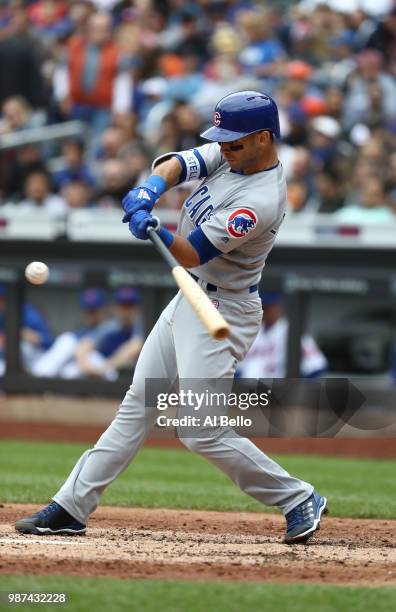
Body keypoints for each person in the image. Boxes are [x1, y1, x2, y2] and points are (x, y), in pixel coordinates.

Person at [15, 91, 327, 544]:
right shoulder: (231, 155)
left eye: (234, 143)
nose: (224, 149)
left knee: (200, 429)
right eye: (222, 141)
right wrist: (151, 188)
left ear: (263, 139)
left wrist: (157, 226)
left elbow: (194, 251)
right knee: (138, 404)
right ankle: (71, 507)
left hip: (225, 308)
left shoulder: (261, 199)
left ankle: (298, 498)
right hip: (191, 297)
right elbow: (179, 163)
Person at [237, 292, 328, 379]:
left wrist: (297, 389)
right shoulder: (250, 332)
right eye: (261, 307)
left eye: (268, 307)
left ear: (278, 307)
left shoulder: (292, 332)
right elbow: (237, 370)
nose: (264, 311)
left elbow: (316, 366)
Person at [31, 288, 108, 379]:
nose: (90, 315)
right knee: (68, 371)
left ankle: (38, 375)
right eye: (88, 311)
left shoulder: (110, 328)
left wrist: (81, 355)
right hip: (84, 366)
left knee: (69, 341)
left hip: (107, 367)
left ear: (103, 310)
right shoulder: (83, 331)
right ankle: (37, 378)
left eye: (94, 311)